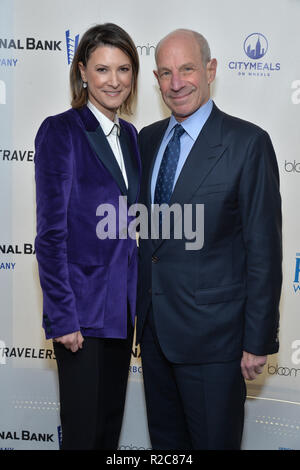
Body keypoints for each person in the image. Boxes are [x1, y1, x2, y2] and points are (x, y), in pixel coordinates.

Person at [136, 29, 282, 450]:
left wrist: (258, 341)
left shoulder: (247, 143)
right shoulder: (146, 140)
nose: (176, 83)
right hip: (155, 334)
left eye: (186, 69)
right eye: (165, 73)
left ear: (210, 70)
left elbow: (264, 250)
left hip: (217, 343)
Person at [34, 23, 140, 450]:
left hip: (122, 313)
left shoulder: (132, 136)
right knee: (83, 436)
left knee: (108, 432)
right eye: (102, 69)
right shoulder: (61, 131)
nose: (114, 81)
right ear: (82, 72)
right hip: (81, 315)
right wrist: (63, 317)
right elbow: (50, 234)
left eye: (124, 69)